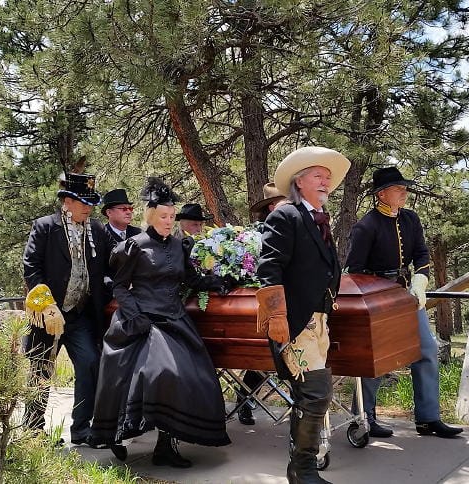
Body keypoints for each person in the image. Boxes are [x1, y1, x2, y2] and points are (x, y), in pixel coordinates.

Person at [90, 177, 232, 467]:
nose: (169, 222)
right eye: (164, 217)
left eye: (171, 217)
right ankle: (120, 435)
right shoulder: (133, 246)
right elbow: (119, 287)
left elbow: (189, 279)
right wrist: (135, 315)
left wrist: (217, 282)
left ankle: (165, 448)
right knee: (162, 372)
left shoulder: (181, 246)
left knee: (192, 376)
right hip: (142, 320)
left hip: (175, 318)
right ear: (152, 217)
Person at [345, 166, 463, 439]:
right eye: (398, 189)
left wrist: (420, 281)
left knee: (427, 349)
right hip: (376, 301)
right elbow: (354, 271)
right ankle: (363, 418)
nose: (404, 192)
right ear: (382, 194)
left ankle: (428, 418)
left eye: (404, 188)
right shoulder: (365, 226)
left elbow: (421, 254)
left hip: (407, 297)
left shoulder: (411, 219)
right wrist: (375, 298)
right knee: (375, 358)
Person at [257, 147, 350, 484]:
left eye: (327, 177)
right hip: (295, 322)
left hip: (319, 321)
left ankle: (301, 470)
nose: (325, 181)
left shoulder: (319, 219)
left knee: (311, 395)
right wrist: (277, 318)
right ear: (300, 182)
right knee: (315, 393)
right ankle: (303, 470)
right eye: (318, 176)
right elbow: (269, 269)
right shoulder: (286, 216)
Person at [22, 171, 113, 446]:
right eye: (82, 201)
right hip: (48, 315)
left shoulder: (97, 230)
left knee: (90, 364)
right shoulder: (45, 227)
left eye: (90, 202)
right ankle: (33, 433)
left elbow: (114, 261)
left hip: (80, 315)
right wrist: (46, 305)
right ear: (67, 201)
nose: (88, 207)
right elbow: (31, 267)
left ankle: (82, 430)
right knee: (40, 372)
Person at [234, 182, 288, 426]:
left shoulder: (295, 225)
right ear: (270, 207)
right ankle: (244, 397)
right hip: (265, 299)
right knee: (258, 358)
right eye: (279, 203)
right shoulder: (254, 235)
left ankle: (300, 406)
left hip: (292, 298)